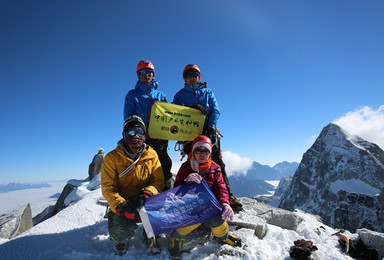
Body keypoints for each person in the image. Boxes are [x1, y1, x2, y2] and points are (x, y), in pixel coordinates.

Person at [173, 64, 243, 212]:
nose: (192, 78)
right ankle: (195, 196)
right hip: (189, 136)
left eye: (194, 75)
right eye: (189, 75)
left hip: (208, 134)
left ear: (199, 77)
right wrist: (192, 109)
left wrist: (211, 126)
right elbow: (175, 113)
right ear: (184, 78)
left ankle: (227, 197)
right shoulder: (179, 96)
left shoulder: (207, 93)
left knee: (217, 164)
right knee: (192, 165)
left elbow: (215, 111)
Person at [168, 135, 241, 259]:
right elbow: (176, 192)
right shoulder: (186, 168)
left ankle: (223, 236)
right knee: (192, 216)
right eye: (198, 150)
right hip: (190, 207)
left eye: (205, 150)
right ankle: (176, 237)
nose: (202, 153)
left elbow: (221, 188)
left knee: (219, 216)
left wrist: (225, 203)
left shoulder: (215, 169)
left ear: (210, 152)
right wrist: (186, 183)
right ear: (193, 152)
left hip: (208, 207)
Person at [101, 115, 165, 255]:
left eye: (140, 132)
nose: (136, 136)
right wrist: (120, 206)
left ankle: (150, 233)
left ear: (145, 135)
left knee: (160, 213)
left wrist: (147, 193)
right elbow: (108, 187)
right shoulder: (112, 158)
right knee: (119, 232)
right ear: (124, 134)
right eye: (131, 132)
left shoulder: (152, 154)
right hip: (125, 203)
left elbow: (158, 180)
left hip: (145, 200)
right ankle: (123, 238)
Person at [123, 59, 173, 189]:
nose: (147, 74)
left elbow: (169, 115)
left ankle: (165, 189)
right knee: (143, 164)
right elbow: (128, 117)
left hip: (159, 136)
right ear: (138, 75)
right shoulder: (132, 95)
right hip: (140, 136)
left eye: (150, 72)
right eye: (143, 72)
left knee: (163, 162)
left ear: (153, 75)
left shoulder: (161, 95)